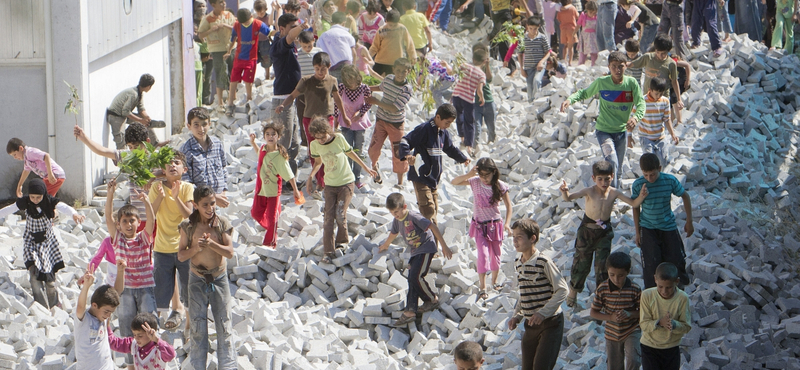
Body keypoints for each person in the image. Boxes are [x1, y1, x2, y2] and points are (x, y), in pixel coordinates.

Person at [559, 160, 648, 307]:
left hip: (604, 233)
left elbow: (633, 203)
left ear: (612, 176)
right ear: (594, 178)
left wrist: (642, 196)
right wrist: (565, 191)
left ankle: (602, 296)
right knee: (581, 263)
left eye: (607, 179)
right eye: (600, 179)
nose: (604, 182)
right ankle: (573, 291)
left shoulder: (614, 192)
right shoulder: (589, 191)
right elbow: (569, 198)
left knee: (602, 266)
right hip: (587, 230)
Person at [561, 51, 646, 188]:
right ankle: (610, 197)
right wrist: (570, 100)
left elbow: (641, 103)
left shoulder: (631, 84)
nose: (617, 70)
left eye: (621, 66)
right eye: (614, 66)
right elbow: (585, 92)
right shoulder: (602, 82)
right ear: (608, 66)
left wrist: (636, 118)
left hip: (621, 132)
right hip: (604, 131)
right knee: (612, 161)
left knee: (617, 168)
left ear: (626, 66)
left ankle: (614, 196)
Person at [0, 179, 84, 309]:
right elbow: (10, 209)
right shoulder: (26, 201)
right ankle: (41, 306)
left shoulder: (49, 201)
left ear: (43, 194)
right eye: (32, 197)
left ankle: (54, 303)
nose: (35, 199)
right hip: (31, 242)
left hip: (47, 244)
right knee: (34, 275)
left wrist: (74, 214)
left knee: (50, 280)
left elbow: (63, 207)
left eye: (38, 197)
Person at [177, 185, 236, 370]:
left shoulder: (222, 224)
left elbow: (229, 253)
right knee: (197, 327)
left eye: (212, 203)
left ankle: (228, 366)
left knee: (224, 325)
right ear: (195, 205)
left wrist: (211, 244)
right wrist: (197, 248)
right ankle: (197, 366)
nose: (210, 208)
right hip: (197, 279)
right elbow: (181, 255)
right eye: (205, 205)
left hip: (218, 278)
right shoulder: (188, 226)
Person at [276, 52, 350, 193]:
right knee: (314, 151)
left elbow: (338, 99)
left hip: (327, 119)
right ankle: (321, 181)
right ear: (313, 68)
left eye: (323, 69)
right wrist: (283, 105)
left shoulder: (332, 80)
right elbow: (293, 95)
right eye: (317, 69)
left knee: (329, 148)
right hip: (310, 120)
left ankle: (330, 178)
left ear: (329, 67)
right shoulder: (306, 81)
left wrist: (344, 116)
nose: (320, 72)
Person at [307, 117, 377, 263]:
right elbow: (318, 162)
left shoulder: (338, 139)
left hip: (346, 183)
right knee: (328, 218)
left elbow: (351, 154)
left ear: (328, 131)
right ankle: (328, 252)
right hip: (330, 185)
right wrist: (310, 177)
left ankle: (342, 242)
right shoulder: (314, 145)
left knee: (340, 213)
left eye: (323, 136)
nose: (321, 140)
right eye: (317, 138)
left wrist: (366, 168)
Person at [104, 178, 157, 369]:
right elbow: (108, 218)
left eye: (132, 221)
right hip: (125, 290)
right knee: (126, 325)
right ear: (119, 225)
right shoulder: (117, 239)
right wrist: (110, 194)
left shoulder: (144, 238)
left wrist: (146, 201)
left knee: (148, 323)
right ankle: (130, 364)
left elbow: (151, 221)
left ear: (138, 222)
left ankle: (150, 358)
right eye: (124, 221)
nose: (128, 224)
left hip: (145, 288)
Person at [379, 192, 453, 326]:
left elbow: (432, 227)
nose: (395, 215)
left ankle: (431, 299)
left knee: (416, 276)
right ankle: (410, 311)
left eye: (397, 211)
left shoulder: (414, 217)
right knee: (411, 277)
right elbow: (393, 233)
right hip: (415, 251)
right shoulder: (397, 220)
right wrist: (385, 245)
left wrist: (444, 246)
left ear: (404, 206)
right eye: (392, 212)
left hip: (426, 248)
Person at [508, 219, 568, 370]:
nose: (515, 241)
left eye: (519, 237)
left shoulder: (543, 262)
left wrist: (543, 313)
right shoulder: (518, 263)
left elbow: (562, 289)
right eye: (513, 236)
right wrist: (517, 315)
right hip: (531, 324)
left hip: (550, 323)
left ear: (532, 238)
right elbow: (525, 292)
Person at [450, 158, 513, 298]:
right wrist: (469, 174)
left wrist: (507, 224)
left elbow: (509, 207)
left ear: (493, 172)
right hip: (479, 225)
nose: (484, 178)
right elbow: (454, 182)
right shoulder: (475, 182)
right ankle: (483, 287)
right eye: (481, 174)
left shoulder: (500, 186)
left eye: (487, 175)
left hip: (495, 225)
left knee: (496, 256)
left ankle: (495, 281)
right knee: (483, 255)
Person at [398, 104, 471, 224]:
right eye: (447, 122)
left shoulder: (443, 133)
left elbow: (450, 148)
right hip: (421, 176)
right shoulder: (424, 129)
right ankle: (427, 238)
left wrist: (463, 158)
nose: (448, 126)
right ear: (438, 117)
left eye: (450, 123)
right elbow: (405, 140)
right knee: (428, 211)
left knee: (434, 211)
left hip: (433, 179)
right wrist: (407, 155)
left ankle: (432, 240)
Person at [632, 153, 693, 288]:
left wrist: (689, 221)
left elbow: (685, 196)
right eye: (645, 175)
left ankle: (678, 286)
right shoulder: (638, 185)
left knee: (676, 258)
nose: (649, 178)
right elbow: (635, 207)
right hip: (648, 227)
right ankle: (652, 291)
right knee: (650, 263)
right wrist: (637, 232)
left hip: (668, 226)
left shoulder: (669, 181)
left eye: (652, 174)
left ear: (659, 168)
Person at [149, 151, 194, 331]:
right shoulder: (156, 187)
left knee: (188, 288)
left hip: (184, 248)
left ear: (184, 168)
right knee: (160, 289)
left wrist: (175, 197)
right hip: (162, 247)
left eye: (176, 162)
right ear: (163, 169)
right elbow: (151, 215)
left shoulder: (187, 188)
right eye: (168, 163)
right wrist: (160, 196)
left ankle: (189, 325)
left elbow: (188, 214)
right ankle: (155, 328)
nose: (172, 165)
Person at [249, 122, 304, 248]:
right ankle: (271, 227)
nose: (270, 136)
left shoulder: (279, 156)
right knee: (256, 213)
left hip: (273, 191)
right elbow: (260, 154)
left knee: (272, 218)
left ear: (278, 137)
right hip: (261, 189)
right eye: (267, 134)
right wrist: (253, 142)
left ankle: (270, 243)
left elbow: (289, 175)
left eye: (273, 134)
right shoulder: (263, 148)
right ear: (264, 136)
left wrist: (295, 190)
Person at [590, 252, 643, 370]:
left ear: (628, 272)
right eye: (612, 274)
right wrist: (610, 318)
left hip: (631, 330)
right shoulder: (603, 289)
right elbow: (593, 312)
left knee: (634, 360)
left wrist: (629, 314)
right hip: (612, 333)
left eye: (621, 275)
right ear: (607, 271)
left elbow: (643, 312)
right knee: (614, 366)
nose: (616, 279)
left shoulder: (634, 289)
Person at [367, 58, 414, 186]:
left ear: (408, 72)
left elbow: (395, 107)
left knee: (399, 153)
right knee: (373, 148)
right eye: (398, 70)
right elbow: (381, 87)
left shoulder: (407, 89)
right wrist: (366, 88)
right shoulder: (388, 79)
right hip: (381, 119)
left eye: (403, 71)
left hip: (396, 123)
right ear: (393, 70)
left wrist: (375, 102)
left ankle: (400, 182)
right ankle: (375, 167)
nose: (400, 74)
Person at [269, 13, 304, 180]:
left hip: (292, 98)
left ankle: (290, 179)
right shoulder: (279, 45)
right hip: (283, 99)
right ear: (282, 29)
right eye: (293, 27)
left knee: (294, 143)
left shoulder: (283, 39)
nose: (296, 31)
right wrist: (303, 27)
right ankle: (278, 180)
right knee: (283, 143)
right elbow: (289, 37)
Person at [639, 262, 692, 370]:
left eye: (669, 287)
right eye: (660, 286)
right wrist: (659, 322)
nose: (664, 291)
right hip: (649, 346)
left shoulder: (682, 298)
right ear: (655, 279)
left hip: (671, 348)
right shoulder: (646, 295)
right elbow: (644, 324)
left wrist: (674, 324)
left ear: (677, 281)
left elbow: (686, 327)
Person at [223, 8, 271, 116]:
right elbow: (233, 38)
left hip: (251, 58)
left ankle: (249, 101)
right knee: (233, 80)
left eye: (246, 21)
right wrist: (229, 51)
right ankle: (230, 104)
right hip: (239, 57)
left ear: (251, 17)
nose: (245, 24)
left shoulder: (258, 24)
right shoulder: (236, 25)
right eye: (243, 22)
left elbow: (269, 32)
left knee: (248, 82)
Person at [181, 107, 230, 208]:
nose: (201, 129)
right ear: (189, 126)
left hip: (220, 202)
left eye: (204, 124)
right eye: (196, 125)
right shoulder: (187, 150)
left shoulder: (217, 144)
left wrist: (224, 190)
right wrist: (212, 197)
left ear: (210, 124)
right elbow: (187, 182)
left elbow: (224, 168)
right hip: (200, 205)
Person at [335, 65, 374, 189]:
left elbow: (369, 103)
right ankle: (348, 177)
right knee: (347, 150)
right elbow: (337, 104)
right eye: (347, 79)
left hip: (360, 123)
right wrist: (336, 120)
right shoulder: (341, 88)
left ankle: (356, 177)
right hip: (345, 123)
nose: (350, 82)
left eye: (352, 79)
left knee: (358, 150)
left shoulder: (364, 89)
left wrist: (361, 113)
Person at [629, 35, 684, 117]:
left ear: (668, 51)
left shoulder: (671, 64)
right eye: (657, 52)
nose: (659, 55)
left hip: (662, 98)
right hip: (647, 97)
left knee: (662, 121)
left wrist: (679, 99)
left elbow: (674, 81)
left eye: (663, 54)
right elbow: (632, 64)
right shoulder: (648, 57)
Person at [197, 0, 236, 108]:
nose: (223, 4)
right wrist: (211, 30)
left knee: (233, 72)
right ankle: (220, 102)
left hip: (231, 47)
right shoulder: (208, 19)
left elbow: (236, 29)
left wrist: (224, 25)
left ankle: (232, 98)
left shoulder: (229, 15)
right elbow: (200, 35)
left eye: (224, 2)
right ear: (213, 5)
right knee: (220, 73)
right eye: (220, 2)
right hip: (217, 49)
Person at [74, 278, 119, 370]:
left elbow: (118, 291)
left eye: (111, 312)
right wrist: (86, 286)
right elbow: (80, 307)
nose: (108, 315)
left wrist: (120, 270)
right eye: (106, 311)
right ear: (94, 305)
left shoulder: (104, 318)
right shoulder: (84, 320)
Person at [106, 74, 161, 149]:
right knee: (120, 139)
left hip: (124, 115)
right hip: (116, 116)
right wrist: (140, 120)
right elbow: (125, 111)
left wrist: (146, 117)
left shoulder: (139, 93)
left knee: (147, 124)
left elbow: (141, 109)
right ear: (149, 86)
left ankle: (155, 143)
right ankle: (121, 158)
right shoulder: (133, 94)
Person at [632, 77, 678, 167]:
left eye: (661, 94)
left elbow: (667, 119)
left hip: (660, 137)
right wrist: (629, 135)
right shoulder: (642, 101)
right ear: (650, 90)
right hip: (646, 137)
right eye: (656, 93)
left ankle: (660, 179)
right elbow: (633, 117)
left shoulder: (665, 101)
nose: (658, 96)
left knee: (663, 161)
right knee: (650, 163)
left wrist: (673, 134)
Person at [108, 313, 177, 370]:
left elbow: (171, 354)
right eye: (134, 335)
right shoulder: (134, 344)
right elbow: (115, 343)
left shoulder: (158, 350)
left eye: (140, 336)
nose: (136, 338)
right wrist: (107, 325)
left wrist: (156, 339)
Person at [452, 48, 487, 157]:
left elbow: (452, 72)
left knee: (459, 116)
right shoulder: (481, 74)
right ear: (484, 62)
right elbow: (479, 90)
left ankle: (462, 137)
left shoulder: (464, 66)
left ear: (472, 58)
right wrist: (482, 98)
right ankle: (469, 146)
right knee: (469, 121)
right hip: (468, 99)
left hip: (456, 95)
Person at [295, 30, 323, 147]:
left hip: (317, 89)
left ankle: (320, 139)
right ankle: (306, 141)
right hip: (302, 90)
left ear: (314, 41)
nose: (307, 48)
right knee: (302, 115)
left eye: (310, 46)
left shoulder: (319, 52)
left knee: (318, 116)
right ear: (299, 43)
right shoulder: (297, 54)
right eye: (305, 46)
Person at [369, 10, 417, 76]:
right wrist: (368, 56)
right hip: (381, 61)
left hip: (396, 63)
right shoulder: (381, 30)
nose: (392, 27)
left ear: (398, 22)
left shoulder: (402, 29)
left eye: (394, 25)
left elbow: (410, 43)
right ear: (386, 21)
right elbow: (375, 46)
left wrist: (413, 56)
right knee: (375, 80)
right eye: (390, 25)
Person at [317, 12, 357, 81]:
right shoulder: (347, 34)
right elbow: (354, 53)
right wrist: (353, 68)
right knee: (346, 89)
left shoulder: (323, 36)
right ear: (344, 23)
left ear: (331, 23)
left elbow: (320, 53)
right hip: (346, 65)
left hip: (331, 67)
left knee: (336, 89)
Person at [519, 17, 551, 103]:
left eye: (535, 29)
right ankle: (531, 103)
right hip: (528, 67)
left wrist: (542, 62)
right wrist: (521, 69)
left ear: (539, 27)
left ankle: (537, 101)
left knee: (537, 81)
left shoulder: (542, 37)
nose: (533, 31)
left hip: (539, 67)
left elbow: (548, 52)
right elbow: (520, 53)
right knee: (529, 86)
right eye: (530, 28)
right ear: (527, 26)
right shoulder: (523, 38)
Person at [472, 45, 497, 146]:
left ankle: (491, 144)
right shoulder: (471, 68)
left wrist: (487, 66)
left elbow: (489, 79)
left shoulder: (485, 68)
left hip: (488, 101)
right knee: (477, 127)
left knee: (491, 127)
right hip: (476, 103)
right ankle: (475, 146)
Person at [253, 0, 274, 81]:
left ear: (266, 9)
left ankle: (267, 75)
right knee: (254, 58)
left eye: (261, 13)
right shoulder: (255, 17)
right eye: (258, 13)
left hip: (265, 41)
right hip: (256, 41)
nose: (260, 15)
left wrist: (273, 9)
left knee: (266, 58)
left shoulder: (268, 17)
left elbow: (270, 23)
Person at [556, 0, 579, 65]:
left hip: (563, 29)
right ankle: (570, 62)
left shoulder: (560, 10)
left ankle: (564, 60)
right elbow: (577, 16)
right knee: (570, 46)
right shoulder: (572, 8)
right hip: (571, 29)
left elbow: (558, 19)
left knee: (565, 46)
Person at [577, 1, 600, 66]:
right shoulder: (583, 16)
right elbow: (578, 25)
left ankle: (593, 67)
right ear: (587, 10)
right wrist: (574, 33)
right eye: (590, 12)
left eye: (594, 13)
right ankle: (580, 66)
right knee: (582, 53)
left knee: (594, 53)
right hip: (585, 37)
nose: (592, 14)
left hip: (593, 37)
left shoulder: (596, 17)